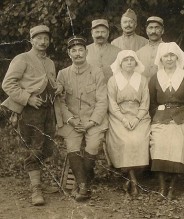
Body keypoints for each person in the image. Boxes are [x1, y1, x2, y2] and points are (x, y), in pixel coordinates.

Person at [1, 25, 61, 206]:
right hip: (30, 111)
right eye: (39, 38)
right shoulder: (22, 59)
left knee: (46, 146)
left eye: (46, 38)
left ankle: (39, 182)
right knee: (33, 148)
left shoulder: (50, 62)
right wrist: (27, 98)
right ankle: (36, 189)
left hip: (48, 110)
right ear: (31, 40)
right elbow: (8, 84)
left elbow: (50, 82)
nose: (43, 42)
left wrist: (59, 87)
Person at [56, 36, 108, 202]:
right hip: (72, 121)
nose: (77, 54)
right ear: (68, 53)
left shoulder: (97, 72)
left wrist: (91, 122)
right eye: (73, 51)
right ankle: (84, 185)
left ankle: (81, 185)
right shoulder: (63, 74)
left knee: (92, 146)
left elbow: (102, 100)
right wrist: (70, 119)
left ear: (86, 52)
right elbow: (60, 102)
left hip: (93, 120)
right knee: (72, 146)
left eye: (80, 50)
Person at [149, 42, 184, 200]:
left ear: (177, 57)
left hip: (182, 117)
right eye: (165, 56)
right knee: (158, 143)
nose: (169, 59)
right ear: (161, 59)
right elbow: (152, 103)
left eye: (172, 55)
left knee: (179, 143)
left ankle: (172, 187)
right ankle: (162, 187)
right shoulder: (155, 78)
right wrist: (159, 116)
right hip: (161, 118)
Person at [106, 50, 150, 196]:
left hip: (139, 115)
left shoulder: (142, 79)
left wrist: (137, 118)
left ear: (136, 62)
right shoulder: (113, 80)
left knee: (140, 140)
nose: (129, 62)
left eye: (132, 59)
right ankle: (133, 180)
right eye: (126, 60)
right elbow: (112, 104)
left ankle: (129, 177)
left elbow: (145, 103)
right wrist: (123, 119)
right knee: (125, 141)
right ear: (120, 63)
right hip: (119, 116)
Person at [86, 19, 121, 83]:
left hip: (110, 90)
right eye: (97, 32)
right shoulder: (84, 51)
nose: (100, 35)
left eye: (103, 32)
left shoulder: (118, 52)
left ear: (108, 33)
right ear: (92, 33)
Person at [136, 16, 164, 81]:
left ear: (162, 30)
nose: (153, 31)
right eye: (150, 28)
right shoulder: (139, 53)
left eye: (157, 28)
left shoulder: (169, 50)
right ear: (146, 30)